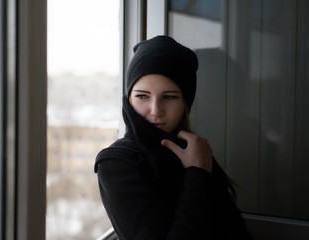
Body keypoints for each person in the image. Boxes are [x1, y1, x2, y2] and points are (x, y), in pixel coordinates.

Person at [94, 35, 252, 240]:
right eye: (142, 96)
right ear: (129, 99)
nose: (155, 110)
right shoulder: (117, 163)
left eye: (169, 97)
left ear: (186, 103)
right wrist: (198, 174)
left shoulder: (193, 151)